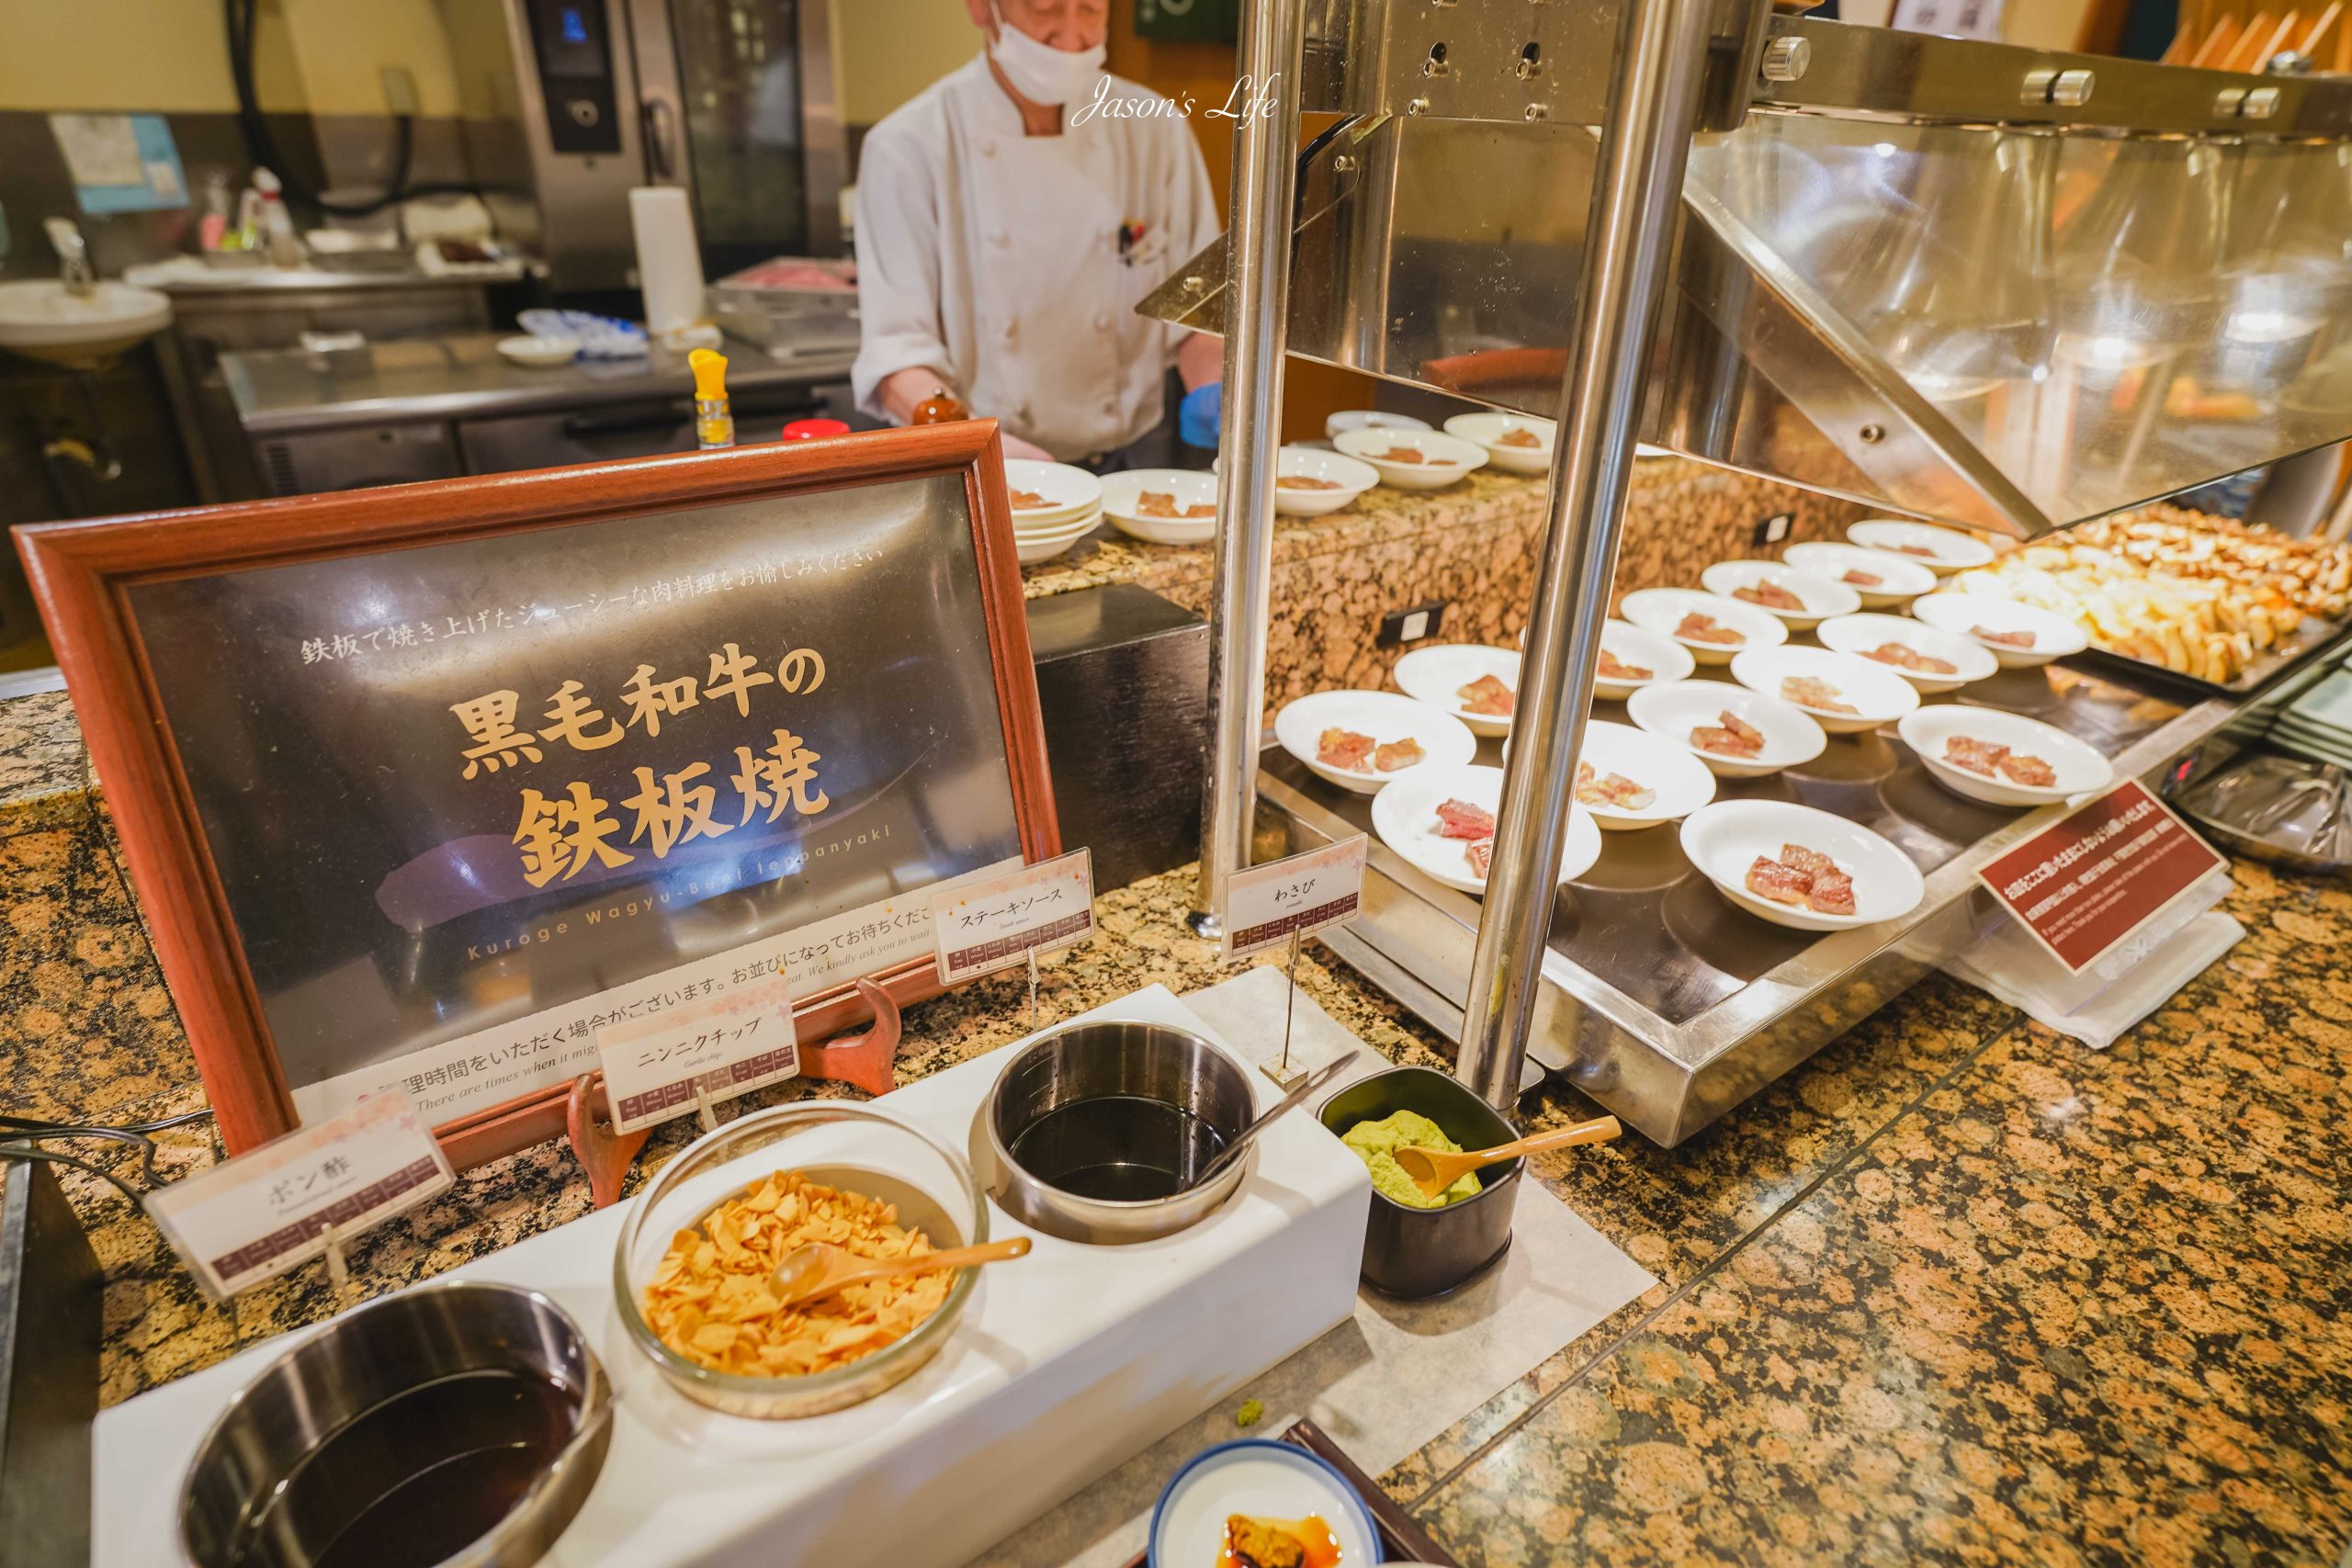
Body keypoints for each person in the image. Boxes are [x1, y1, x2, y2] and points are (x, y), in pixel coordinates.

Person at [851, 0, 1226, 467]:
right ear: (981, 8)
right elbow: (897, 358)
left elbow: (1197, 308)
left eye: (1090, 9)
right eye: (1044, 8)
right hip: (985, 460)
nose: (1071, 37)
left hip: (1136, 456)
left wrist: (1215, 388)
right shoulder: (907, 148)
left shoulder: (1154, 128)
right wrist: (968, 446)